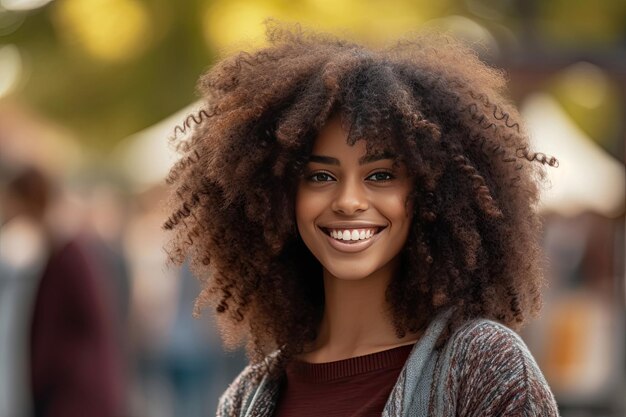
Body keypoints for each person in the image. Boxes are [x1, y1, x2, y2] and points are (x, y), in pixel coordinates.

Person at [164, 22, 560, 416]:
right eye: (321, 176)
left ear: (430, 193)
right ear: (278, 197)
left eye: (381, 176)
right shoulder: (245, 400)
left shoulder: (485, 368)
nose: (349, 201)